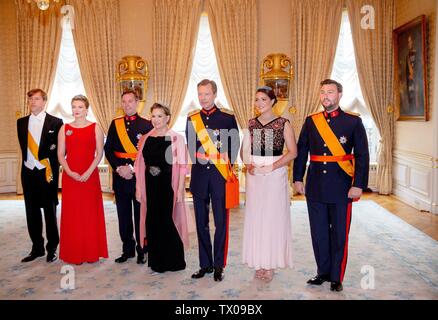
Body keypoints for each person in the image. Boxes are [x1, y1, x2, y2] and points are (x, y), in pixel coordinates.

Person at [293, 79, 369, 292]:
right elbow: (302, 151)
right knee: (318, 232)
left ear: (340, 94)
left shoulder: (353, 122)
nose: (326, 96)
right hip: (315, 184)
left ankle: (337, 276)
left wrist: (358, 184)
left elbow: (362, 155)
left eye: (330, 92)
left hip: (341, 186)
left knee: (338, 233)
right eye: (323, 92)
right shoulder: (311, 121)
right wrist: (298, 178)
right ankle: (323, 272)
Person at [241, 86, 297, 282]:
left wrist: (272, 167)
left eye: (263, 99)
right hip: (255, 176)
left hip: (275, 174)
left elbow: (293, 152)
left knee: (272, 217)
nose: (259, 103)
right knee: (256, 217)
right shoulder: (251, 124)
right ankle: (258, 262)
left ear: (273, 101)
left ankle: (270, 263)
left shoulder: (283, 124)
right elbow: (244, 151)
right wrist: (249, 165)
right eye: (256, 100)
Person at [186, 79, 240, 282]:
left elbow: (234, 144)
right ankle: (205, 264)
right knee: (201, 223)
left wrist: (225, 162)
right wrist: (202, 156)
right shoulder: (192, 119)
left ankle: (219, 265)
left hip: (219, 177)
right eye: (200, 94)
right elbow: (191, 147)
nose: (203, 98)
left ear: (215, 94)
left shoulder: (227, 117)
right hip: (200, 176)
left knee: (221, 222)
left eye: (206, 94)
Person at [134, 103, 189, 273]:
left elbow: (182, 166)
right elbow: (139, 165)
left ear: (167, 118)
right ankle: (156, 261)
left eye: (159, 116)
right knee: (152, 221)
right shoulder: (145, 138)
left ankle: (174, 260)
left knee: (167, 221)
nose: (156, 120)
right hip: (150, 186)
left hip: (168, 186)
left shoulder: (176, 138)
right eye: (153, 116)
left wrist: (180, 190)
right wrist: (138, 189)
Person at [57, 95, 108, 264]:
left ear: (87, 109)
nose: (76, 110)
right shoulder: (64, 128)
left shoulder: (96, 127)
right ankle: (75, 253)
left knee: (89, 213)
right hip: (71, 177)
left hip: (90, 176)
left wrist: (88, 171)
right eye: (74, 107)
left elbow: (99, 153)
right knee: (73, 215)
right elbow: (60, 154)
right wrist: (69, 172)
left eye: (80, 107)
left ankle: (91, 252)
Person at [104, 89, 153, 264]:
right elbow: (108, 149)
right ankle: (128, 249)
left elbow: (149, 153)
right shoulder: (115, 123)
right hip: (120, 177)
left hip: (138, 176)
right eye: (124, 102)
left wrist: (131, 168)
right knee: (123, 215)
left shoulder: (147, 125)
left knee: (140, 215)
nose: (127, 105)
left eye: (130, 101)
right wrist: (118, 168)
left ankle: (142, 249)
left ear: (138, 102)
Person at [17, 88, 63, 263]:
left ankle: (52, 248)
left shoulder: (56, 122)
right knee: (32, 211)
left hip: (46, 172)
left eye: (36, 99)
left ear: (44, 101)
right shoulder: (21, 123)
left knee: (49, 212)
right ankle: (37, 248)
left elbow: (60, 150)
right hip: (28, 172)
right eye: (30, 99)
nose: (33, 102)